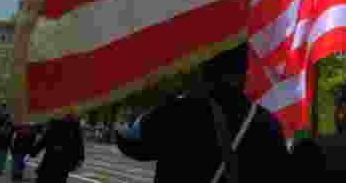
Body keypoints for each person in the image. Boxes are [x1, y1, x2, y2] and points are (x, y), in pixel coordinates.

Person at [116, 44, 291, 182]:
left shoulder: (177, 113)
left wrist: (125, 111)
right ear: (244, 72)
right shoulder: (268, 125)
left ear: (204, 69)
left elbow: (130, 142)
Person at [30, 114, 84, 183]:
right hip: (63, 163)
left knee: (44, 178)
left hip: (51, 161)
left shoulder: (55, 122)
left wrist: (34, 151)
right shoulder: (74, 126)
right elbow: (79, 144)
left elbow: (44, 140)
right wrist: (79, 158)